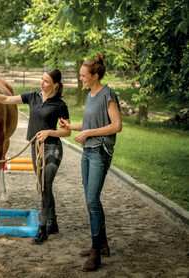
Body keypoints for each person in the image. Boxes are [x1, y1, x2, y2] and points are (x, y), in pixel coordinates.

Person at [0, 68, 71, 244]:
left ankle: (42, 229)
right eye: (41, 79)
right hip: (35, 148)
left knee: (44, 185)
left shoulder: (60, 105)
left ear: (55, 85)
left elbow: (66, 133)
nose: (41, 83)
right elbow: (6, 99)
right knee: (47, 186)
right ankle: (53, 220)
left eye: (46, 81)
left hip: (52, 148)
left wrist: (49, 132)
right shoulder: (33, 97)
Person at [59, 54, 122, 271]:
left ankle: (96, 253)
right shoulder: (90, 95)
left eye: (84, 76)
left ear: (95, 75)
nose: (81, 79)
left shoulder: (107, 94)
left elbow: (116, 126)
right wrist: (70, 126)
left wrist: (88, 133)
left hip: (99, 152)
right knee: (90, 200)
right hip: (87, 152)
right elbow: (88, 124)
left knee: (93, 201)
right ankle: (101, 245)